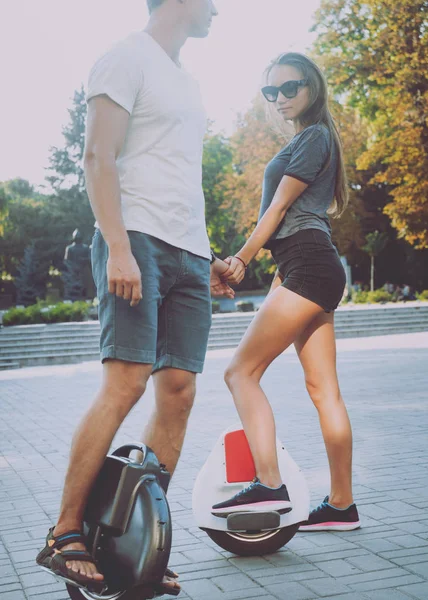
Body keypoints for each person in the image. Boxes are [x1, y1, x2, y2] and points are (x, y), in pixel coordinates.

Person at [36, 0, 230, 595]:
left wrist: (207, 251)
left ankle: (133, 537)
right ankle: (65, 532)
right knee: (126, 381)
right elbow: (98, 156)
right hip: (137, 239)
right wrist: (118, 246)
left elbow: (175, 173)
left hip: (188, 252)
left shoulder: (188, 80)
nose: (217, 8)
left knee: (179, 391)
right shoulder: (125, 57)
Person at [211, 52, 360, 532]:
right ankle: (342, 507)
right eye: (270, 92)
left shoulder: (314, 136)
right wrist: (275, 273)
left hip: (309, 263)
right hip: (306, 265)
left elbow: (277, 211)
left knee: (240, 373)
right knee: (323, 390)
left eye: (289, 88)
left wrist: (240, 260)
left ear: (312, 86)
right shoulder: (310, 139)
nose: (279, 99)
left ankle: (269, 484)